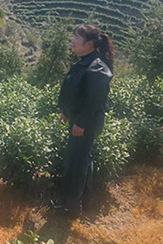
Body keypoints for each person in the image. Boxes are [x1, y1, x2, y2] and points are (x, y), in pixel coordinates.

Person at [52, 24, 114, 217]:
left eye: (77, 37)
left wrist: (81, 123)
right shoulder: (83, 63)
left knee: (76, 162)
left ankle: (71, 206)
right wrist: (66, 112)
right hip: (79, 119)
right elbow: (72, 90)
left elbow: (94, 100)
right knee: (81, 158)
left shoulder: (97, 66)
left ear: (89, 43)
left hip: (86, 122)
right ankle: (84, 199)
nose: (73, 41)